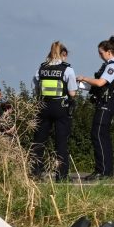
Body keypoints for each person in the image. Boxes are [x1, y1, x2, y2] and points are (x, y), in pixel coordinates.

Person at [28, 41, 78, 181]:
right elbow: (72, 92)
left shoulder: (41, 68)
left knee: (38, 142)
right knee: (61, 143)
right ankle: (61, 176)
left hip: (43, 106)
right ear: (62, 54)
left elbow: (35, 87)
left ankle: (35, 173)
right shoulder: (67, 69)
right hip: (60, 107)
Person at [76, 36, 114, 180]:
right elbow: (97, 86)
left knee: (97, 135)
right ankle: (106, 171)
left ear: (109, 51)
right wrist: (78, 84)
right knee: (102, 136)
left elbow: (100, 83)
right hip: (103, 102)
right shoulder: (107, 66)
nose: (100, 55)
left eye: (101, 53)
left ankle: (102, 171)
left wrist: (84, 77)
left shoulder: (113, 66)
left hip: (107, 103)